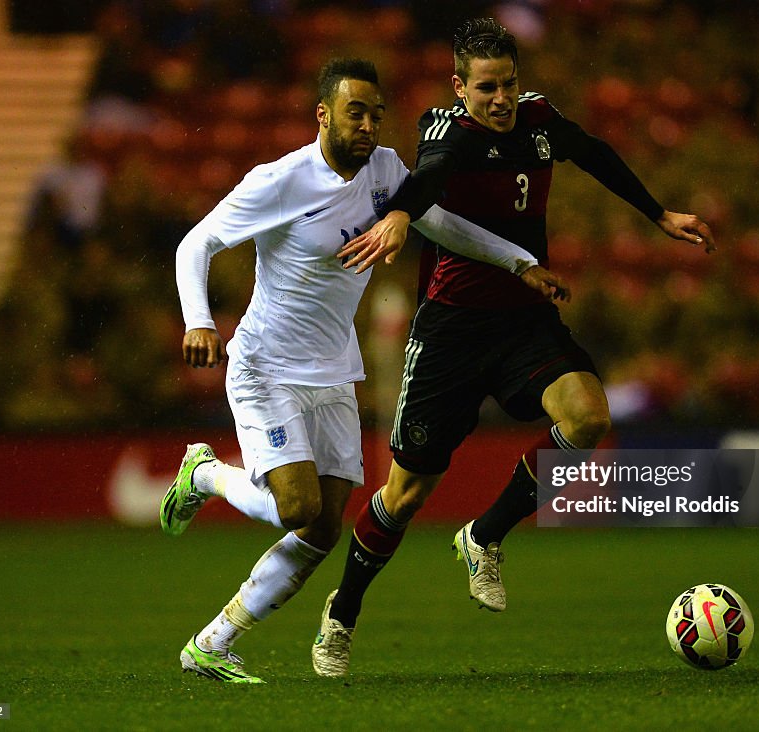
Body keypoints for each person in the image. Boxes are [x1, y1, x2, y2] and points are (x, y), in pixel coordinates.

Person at [311, 19, 716, 677]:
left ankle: (485, 535)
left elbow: (593, 151)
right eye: (486, 87)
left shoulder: (538, 120)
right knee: (406, 493)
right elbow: (434, 174)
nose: (500, 99)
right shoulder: (444, 129)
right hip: (451, 330)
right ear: (459, 86)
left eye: (509, 84)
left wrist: (659, 214)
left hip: (525, 321)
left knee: (588, 417)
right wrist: (401, 214)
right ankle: (342, 615)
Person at [162, 57, 569, 683]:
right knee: (296, 507)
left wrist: (519, 261)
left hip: (333, 373)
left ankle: (213, 644)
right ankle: (207, 473)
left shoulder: (384, 173)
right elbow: (198, 243)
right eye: (356, 111)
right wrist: (199, 321)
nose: (370, 124)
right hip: (266, 366)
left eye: (378, 113)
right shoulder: (280, 180)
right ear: (322, 115)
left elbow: (441, 225)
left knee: (324, 531)